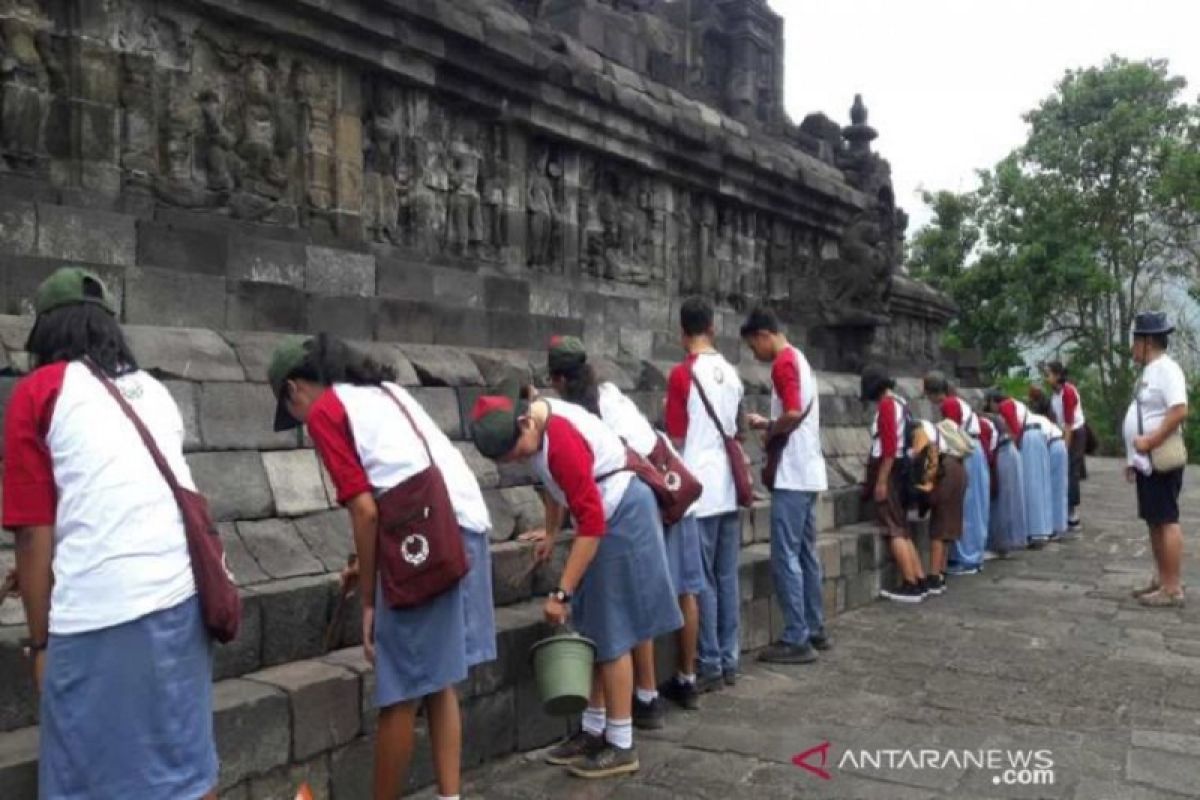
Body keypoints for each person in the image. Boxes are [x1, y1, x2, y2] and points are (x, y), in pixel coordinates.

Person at [3, 267, 219, 799]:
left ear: (46, 335)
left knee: (86, 778)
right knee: (185, 767)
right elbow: (121, 497)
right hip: (186, 599)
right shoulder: (152, 390)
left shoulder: (39, 392)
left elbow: (34, 534)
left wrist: (39, 644)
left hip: (107, 614)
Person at [268, 334, 497, 800]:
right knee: (437, 680)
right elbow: (396, 483)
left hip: (426, 540)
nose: (298, 421)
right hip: (459, 527)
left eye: (290, 411)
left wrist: (371, 598)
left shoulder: (327, 411)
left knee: (400, 688)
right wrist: (365, 561)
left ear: (295, 390)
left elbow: (367, 511)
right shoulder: (383, 393)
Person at [471, 386, 683, 778]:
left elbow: (591, 523)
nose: (518, 460)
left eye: (516, 452)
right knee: (589, 626)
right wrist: (550, 534)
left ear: (524, 422)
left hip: (621, 513)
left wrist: (561, 592)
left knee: (611, 630)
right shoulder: (536, 431)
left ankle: (621, 743)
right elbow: (554, 484)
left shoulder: (562, 438)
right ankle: (592, 730)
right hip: (602, 513)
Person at [545, 335, 704, 722]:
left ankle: (644, 700)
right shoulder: (610, 393)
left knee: (634, 599)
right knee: (672, 592)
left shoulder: (580, 414)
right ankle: (683, 679)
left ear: (558, 380)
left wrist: (550, 531)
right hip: (672, 487)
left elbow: (571, 479)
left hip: (645, 499)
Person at [740, 307, 829, 664]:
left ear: (764, 335)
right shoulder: (800, 360)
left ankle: (796, 636)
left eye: (752, 347)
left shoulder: (783, 363)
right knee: (806, 553)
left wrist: (771, 430)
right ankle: (813, 626)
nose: (754, 355)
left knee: (786, 554)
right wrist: (771, 423)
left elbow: (792, 412)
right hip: (809, 470)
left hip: (793, 473)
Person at [665, 297, 745, 689]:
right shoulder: (732, 374)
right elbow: (738, 428)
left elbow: (676, 434)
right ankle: (730, 657)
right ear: (712, 328)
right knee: (726, 575)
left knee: (703, 581)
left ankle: (709, 660)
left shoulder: (683, 375)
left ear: (682, 332)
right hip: (729, 484)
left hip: (698, 486)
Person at [1123, 311, 1188, 608]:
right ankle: (1162, 577)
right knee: (1153, 520)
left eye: (1136, 340)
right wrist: (1133, 456)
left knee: (1166, 519)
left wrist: (1150, 440)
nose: (1132, 347)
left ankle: (1172, 587)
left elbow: (1178, 410)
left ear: (1147, 341)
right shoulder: (1150, 371)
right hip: (1146, 459)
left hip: (1160, 455)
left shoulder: (1167, 369)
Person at [861, 366, 927, 603]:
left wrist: (880, 480)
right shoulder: (901, 404)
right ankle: (918, 578)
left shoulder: (888, 406)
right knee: (901, 525)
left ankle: (910, 583)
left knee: (894, 527)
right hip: (901, 468)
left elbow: (889, 447)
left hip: (889, 468)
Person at [923, 372, 988, 575]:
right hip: (973, 449)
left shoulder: (949, 405)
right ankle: (970, 556)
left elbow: (951, 435)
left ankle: (967, 558)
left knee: (966, 506)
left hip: (966, 452)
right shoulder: (956, 402)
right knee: (971, 504)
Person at [985, 388, 1053, 547]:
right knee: (1037, 482)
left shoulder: (1006, 405)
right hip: (1035, 435)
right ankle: (1041, 528)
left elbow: (1014, 430)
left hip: (1029, 436)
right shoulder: (1014, 404)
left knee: (1032, 483)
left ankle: (1036, 531)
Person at [920, 419, 969, 595]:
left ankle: (934, 575)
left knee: (938, 537)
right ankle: (940, 572)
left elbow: (940, 491)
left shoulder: (947, 464)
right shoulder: (959, 463)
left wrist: (929, 500)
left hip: (944, 507)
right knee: (946, 538)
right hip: (954, 507)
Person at [1045, 361, 1087, 529]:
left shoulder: (1068, 393)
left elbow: (1069, 422)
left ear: (1057, 375)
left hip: (1075, 434)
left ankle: (1072, 512)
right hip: (1064, 432)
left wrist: (1065, 446)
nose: (1046, 378)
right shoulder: (1055, 394)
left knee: (1071, 471)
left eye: (1048, 374)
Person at [985, 412, 1028, 555]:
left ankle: (1002, 542)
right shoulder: (994, 419)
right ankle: (1007, 541)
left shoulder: (986, 422)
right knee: (1009, 500)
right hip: (1009, 452)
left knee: (1003, 502)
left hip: (1003, 454)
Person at [1027, 413, 1069, 539]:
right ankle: (1058, 526)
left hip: (1053, 444)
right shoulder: (1036, 417)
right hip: (1058, 443)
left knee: (1048, 487)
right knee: (1058, 488)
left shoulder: (1029, 420)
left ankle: (1052, 527)